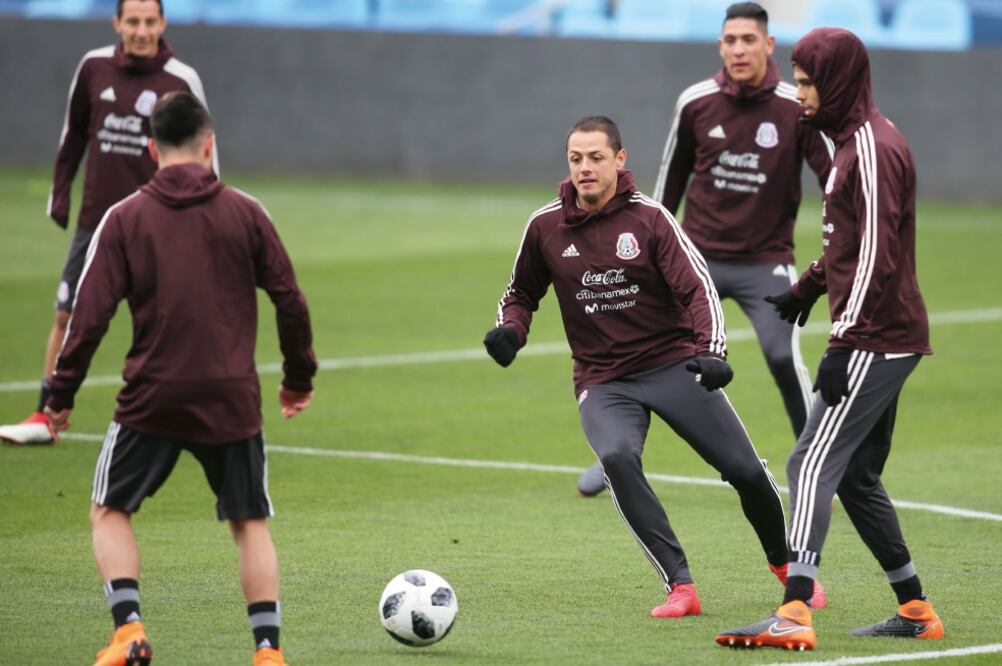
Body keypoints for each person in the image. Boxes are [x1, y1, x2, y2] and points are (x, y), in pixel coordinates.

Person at [484, 116, 824, 618]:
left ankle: (786, 566)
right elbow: (521, 293)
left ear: (620, 160)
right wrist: (512, 330)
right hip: (603, 380)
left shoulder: (651, 219)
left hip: (673, 365)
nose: (585, 168)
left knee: (746, 471)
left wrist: (712, 352)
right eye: (576, 159)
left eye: (596, 157)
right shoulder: (545, 226)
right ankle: (680, 586)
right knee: (618, 457)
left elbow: (698, 288)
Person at [44, 92, 315, 666]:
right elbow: (290, 301)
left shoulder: (123, 219)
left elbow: (87, 320)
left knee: (109, 508)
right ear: (210, 144)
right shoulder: (247, 212)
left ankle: (129, 632)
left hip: (153, 394)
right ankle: (268, 652)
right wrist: (297, 379)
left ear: (151, 148)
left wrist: (58, 397)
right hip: (230, 395)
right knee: (249, 522)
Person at [715, 28, 942, 651]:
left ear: (838, 81)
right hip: (882, 330)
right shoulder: (850, 142)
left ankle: (793, 609)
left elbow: (877, 254)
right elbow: (849, 243)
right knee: (858, 476)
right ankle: (917, 608)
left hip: (876, 333)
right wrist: (809, 287)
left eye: (810, 81)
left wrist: (843, 341)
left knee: (808, 460)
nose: (801, 93)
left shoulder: (869, 148)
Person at [576, 1, 832, 498]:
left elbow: (833, 181)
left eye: (749, 40)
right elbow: (668, 185)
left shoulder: (794, 106)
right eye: (730, 40)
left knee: (782, 355)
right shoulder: (695, 102)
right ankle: (615, 460)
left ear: (768, 45)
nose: (739, 49)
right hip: (696, 258)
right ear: (720, 45)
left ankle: (818, 463)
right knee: (638, 346)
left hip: (766, 263)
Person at [0, 0, 216, 445]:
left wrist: (209, 212)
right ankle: (45, 414)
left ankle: (186, 412)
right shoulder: (93, 68)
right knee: (67, 314)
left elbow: (206, 147)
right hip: (96, 222)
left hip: (159, 224)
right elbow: (73, 133)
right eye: (132, 21)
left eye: (149, 21)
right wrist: (60, 193)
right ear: (117, 22)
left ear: (163, 23)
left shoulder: (182, 79)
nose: (140, 30)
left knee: (171, 317)